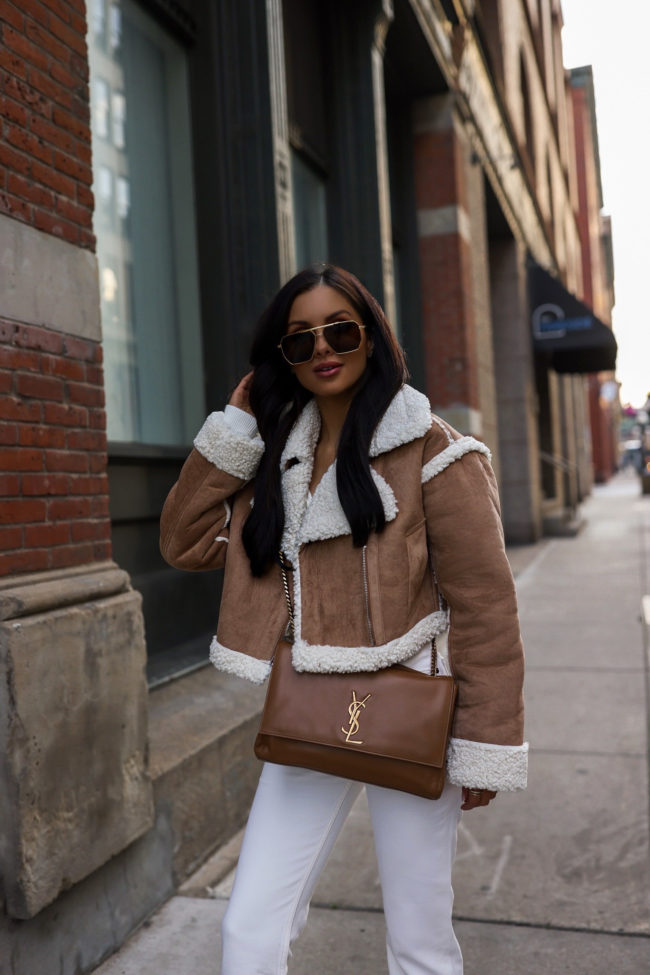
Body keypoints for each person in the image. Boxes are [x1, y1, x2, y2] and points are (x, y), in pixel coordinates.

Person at [160, 263, 528, 975]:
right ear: (281, 358)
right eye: (299, 340)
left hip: (413, 712)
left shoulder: (437, 451)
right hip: (307, 708)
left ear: (372, 337)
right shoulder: (272, 458)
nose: (322, 348)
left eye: (340, 330)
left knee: (419, 942)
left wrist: (484, 743)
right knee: (248, 929)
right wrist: (238, 424)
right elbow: (180, 540)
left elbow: (486, 608)